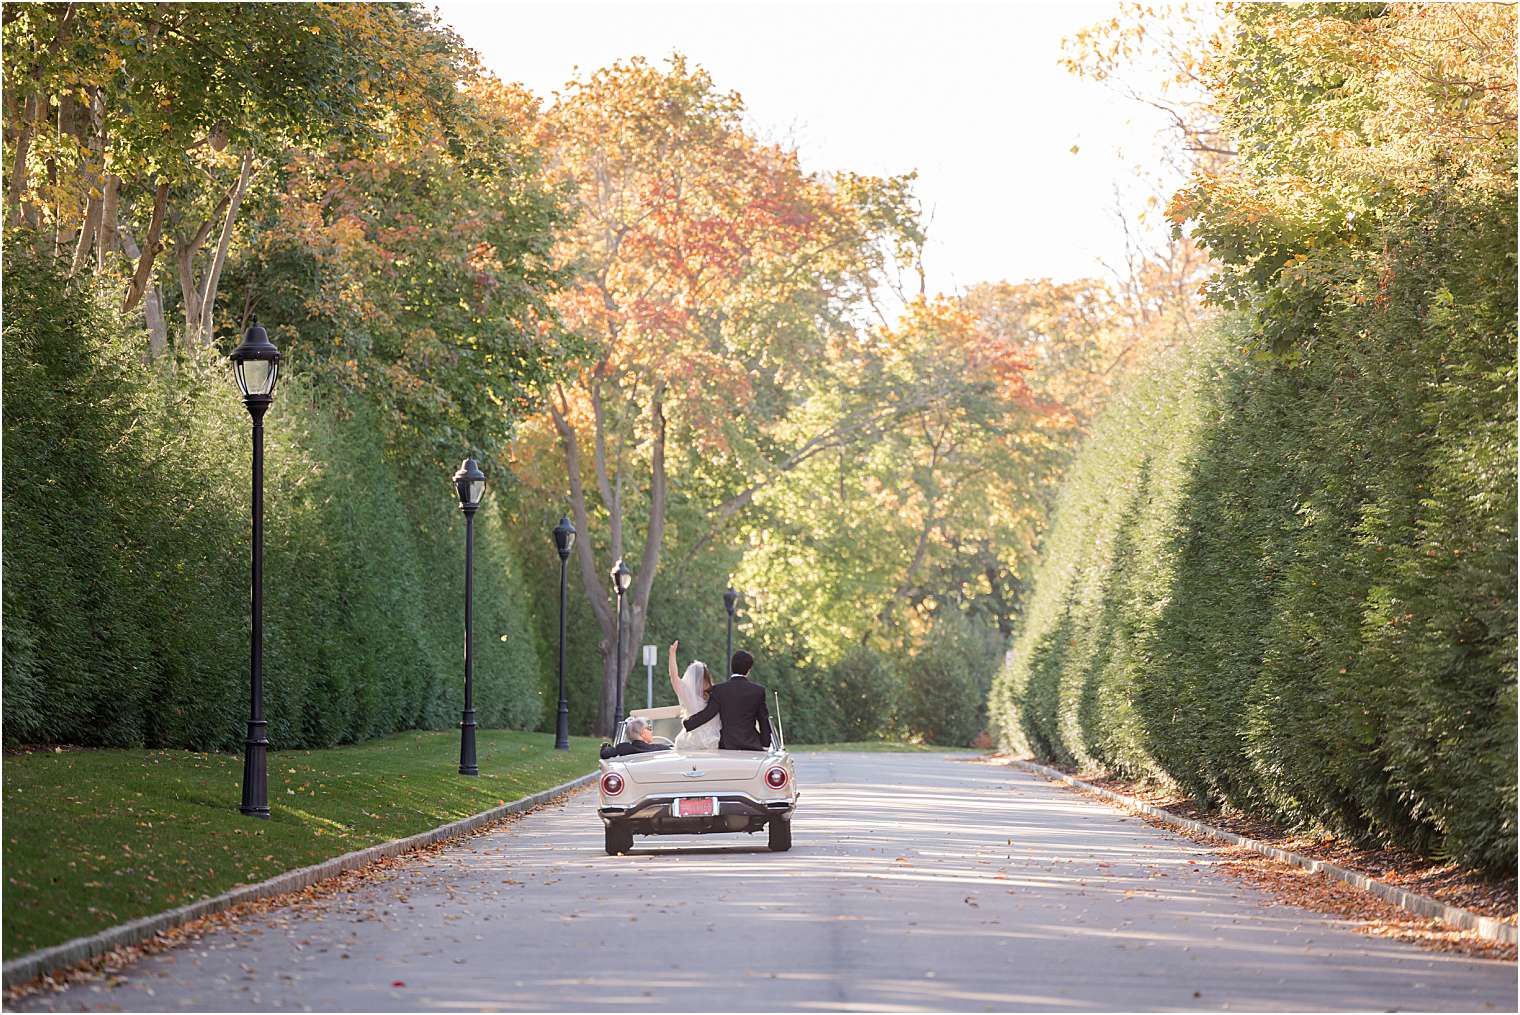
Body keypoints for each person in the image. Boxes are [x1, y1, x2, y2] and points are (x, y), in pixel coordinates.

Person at [680, 649, 772, 751]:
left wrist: (688, 723)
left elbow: (707, 714)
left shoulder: (719, 690)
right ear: (749, 669)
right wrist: (766, 744)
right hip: (751, 744)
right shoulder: (758, 691)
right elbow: (763, 719)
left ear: (732, 666)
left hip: (727, 745)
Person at [667, 641, 722, 752]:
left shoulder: (714, 694)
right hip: (711, 741)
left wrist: (672, 654)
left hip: (705, 741)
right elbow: (674, 677)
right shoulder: (688, 695)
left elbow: (674, 677)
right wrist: (672, 655)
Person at [599, 715, 673, 759]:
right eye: (649, 728)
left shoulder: (623, 748)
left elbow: (605, 754)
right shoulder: (662, 749)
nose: (651, 732)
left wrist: (605, 746)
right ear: (642, 732)